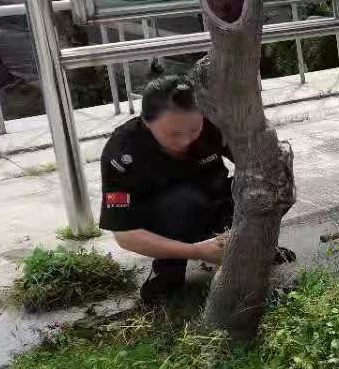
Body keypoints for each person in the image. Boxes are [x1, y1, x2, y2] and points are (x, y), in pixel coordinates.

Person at [99, 75, 291, 305]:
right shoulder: (123, 152)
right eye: (174, 134)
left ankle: (254, 247)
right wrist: (197, 251)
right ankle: (169, 267)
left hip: (217, 202)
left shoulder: (214, 124)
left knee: (271, 186)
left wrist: (268, 203)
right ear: (147, 122)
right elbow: (125, 235)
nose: (186, 140)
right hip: (166, 221)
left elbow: (256, 162)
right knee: (181, 204)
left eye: (193, 129)